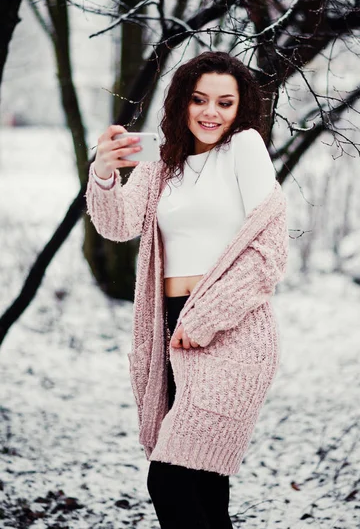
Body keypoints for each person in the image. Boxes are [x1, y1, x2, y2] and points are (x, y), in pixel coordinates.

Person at [85, 51, 289, 528]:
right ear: (181, 102)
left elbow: (269, 251)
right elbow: (118, 225)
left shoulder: (245, 149)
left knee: (169, 479)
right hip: (169, 331)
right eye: (199, 99)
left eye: (225, 101)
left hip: (233, 333)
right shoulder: (162, 165)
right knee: (203, 484)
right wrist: (103, 172)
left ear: (241, 109)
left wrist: (204, 318)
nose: (210, 112)